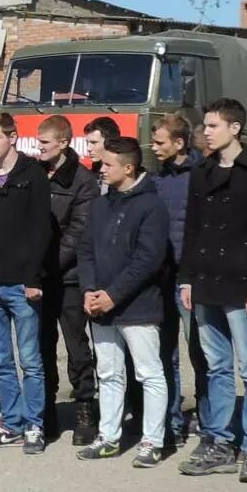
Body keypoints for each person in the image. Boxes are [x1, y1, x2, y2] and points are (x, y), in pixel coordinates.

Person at [178, 98, 247, 480]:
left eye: (213, 125)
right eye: (204, 126)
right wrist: (186, 278)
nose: (205, 132)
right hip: (205, 284)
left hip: (243, 287)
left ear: (235, 128)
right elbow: (192, 230)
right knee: (216, 367)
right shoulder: (201, 171)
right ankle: (219, 442)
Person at [78, 135, 173, 464]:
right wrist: (89, 290)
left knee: (149, 373)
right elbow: (86, 250)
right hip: (100, 307)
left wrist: (113, 295)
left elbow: (147, 260)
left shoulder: (151, 206)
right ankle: (109, 436)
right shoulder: (100, 204)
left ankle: (152, 441)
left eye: (107, 164)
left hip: (138, 307)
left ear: (129, 167)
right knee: (108, 374)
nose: (100, 169)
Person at [0, 112, 54, 453]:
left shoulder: (33, 175)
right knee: (1, 359)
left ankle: (35, 425)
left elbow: (40, 231)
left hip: (21, 284)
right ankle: (10, 422)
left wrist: (33, 278)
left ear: (12, 138)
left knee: (30, 359)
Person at [34, 113, 98, 443]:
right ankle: (46, 410)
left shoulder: (83, 182)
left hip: (69, 278)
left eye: (44, 143)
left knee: (77, 347)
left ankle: (86, 408)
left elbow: (78, 233)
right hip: (39, 279)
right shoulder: (35, 175)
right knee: (42, 347)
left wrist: (49, 264)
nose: (39, 148)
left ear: (63, 143)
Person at [147, 110, 195, 438]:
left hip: (191, 279)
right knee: (166, 355)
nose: (153, 147)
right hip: (162, 278)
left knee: (202, 354)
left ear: (179, 143)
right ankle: (172, 420)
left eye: (159, 142)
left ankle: (208, 419)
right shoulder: (156, 179)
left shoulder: (201, 175)